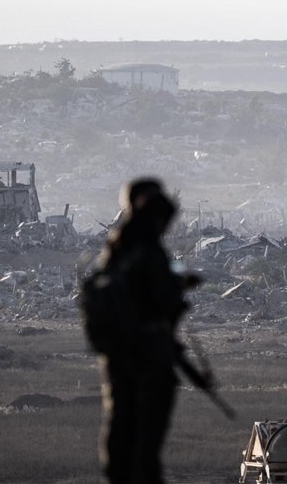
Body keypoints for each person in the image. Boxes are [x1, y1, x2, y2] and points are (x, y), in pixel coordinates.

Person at [94, 178, 205, 484]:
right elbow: (163, 303)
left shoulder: (115, 250)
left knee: (120, 436)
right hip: (148, 359)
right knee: (145, 448)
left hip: (118, 359)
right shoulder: (150, 254)